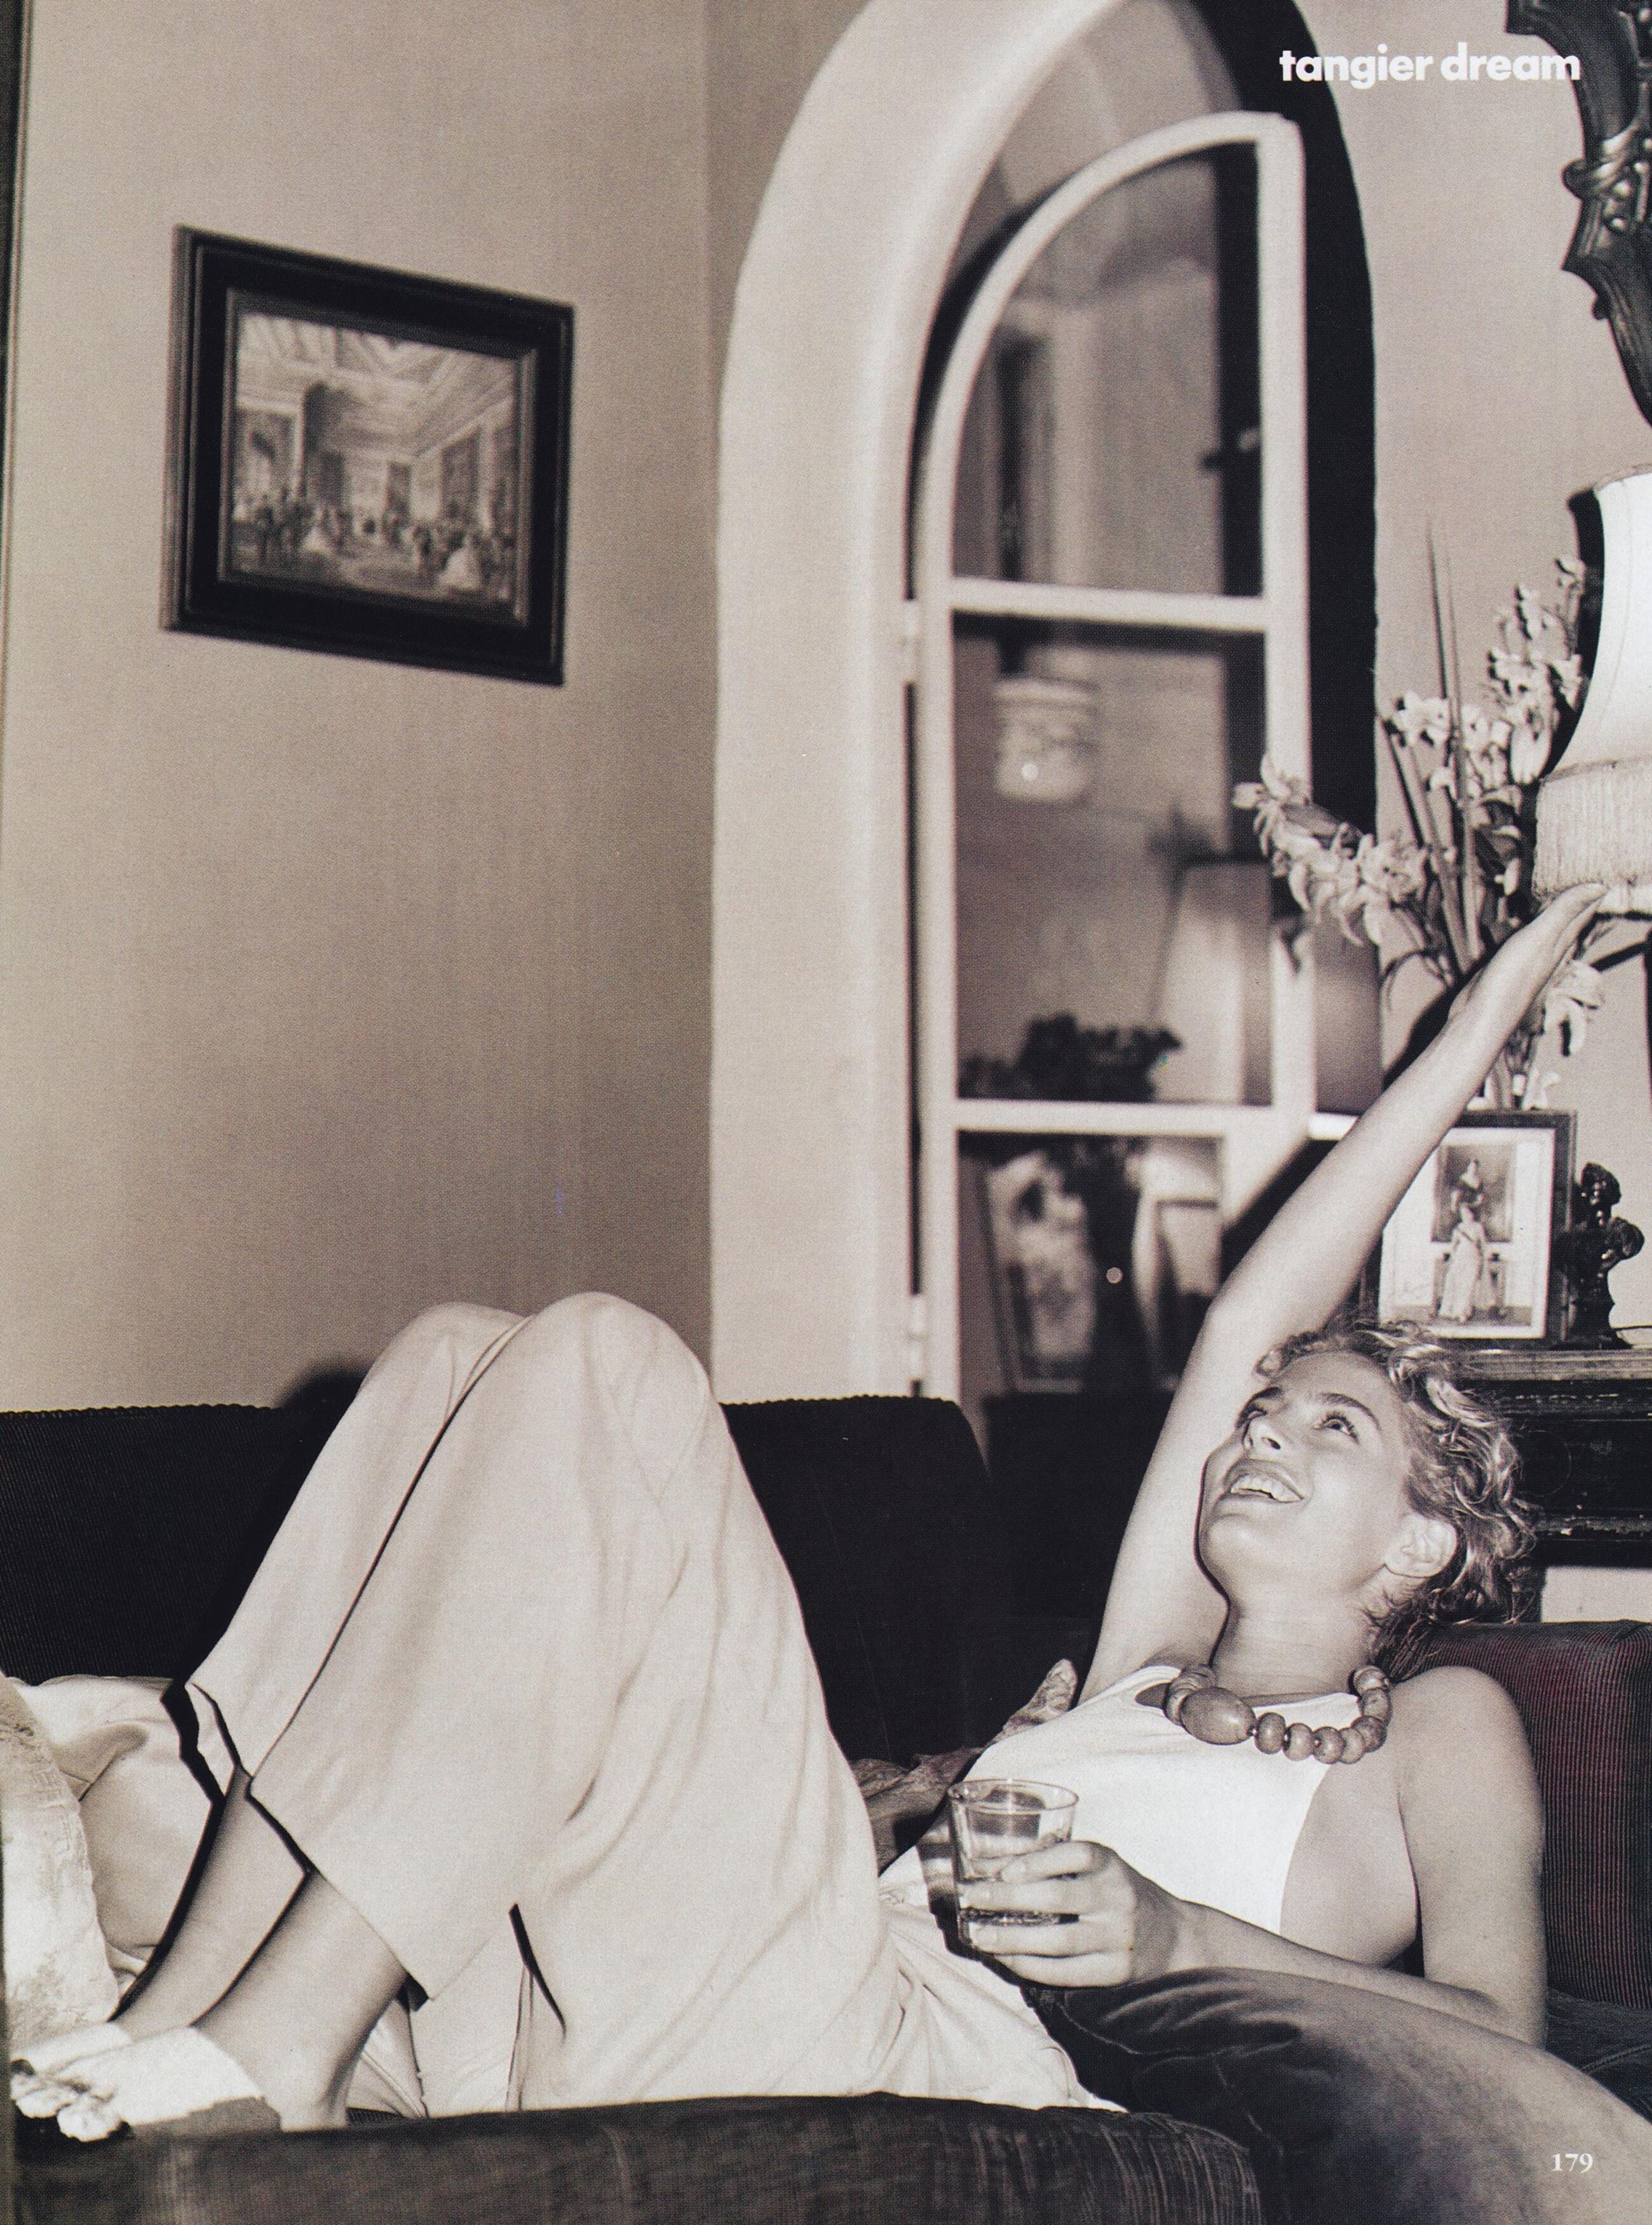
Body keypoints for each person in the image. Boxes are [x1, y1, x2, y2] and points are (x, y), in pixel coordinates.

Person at [13, 886, 1652, 2222]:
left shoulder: (1439, 1727)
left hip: (925, 2050)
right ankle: (179, 2034)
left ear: (1423, 1536)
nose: (1261, 1436)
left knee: (611, 1366)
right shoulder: (1147, 1663)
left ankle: (274, 2053)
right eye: (1262, 1417)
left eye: (1331, 1428)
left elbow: (1501, 2032)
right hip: (710, 1980)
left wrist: (1181, 1940)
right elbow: (1245, 1317)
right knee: (454, 1360)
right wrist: (1480, 1011)